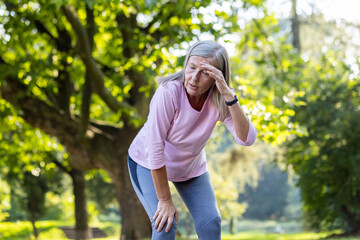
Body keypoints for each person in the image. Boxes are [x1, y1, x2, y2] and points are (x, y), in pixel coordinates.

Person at [127, 40, 257, 239]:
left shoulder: (220, 99)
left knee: (211, 224)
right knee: (165, 226)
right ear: (185, 64)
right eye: (192, 67)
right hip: (146, 162)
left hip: (190, 168)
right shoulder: (169, 92)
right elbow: (154, 147)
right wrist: (164, 200)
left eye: (205, 73)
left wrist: (229, 96)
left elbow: (246, 139)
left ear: (217, 77)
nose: (194, 78)